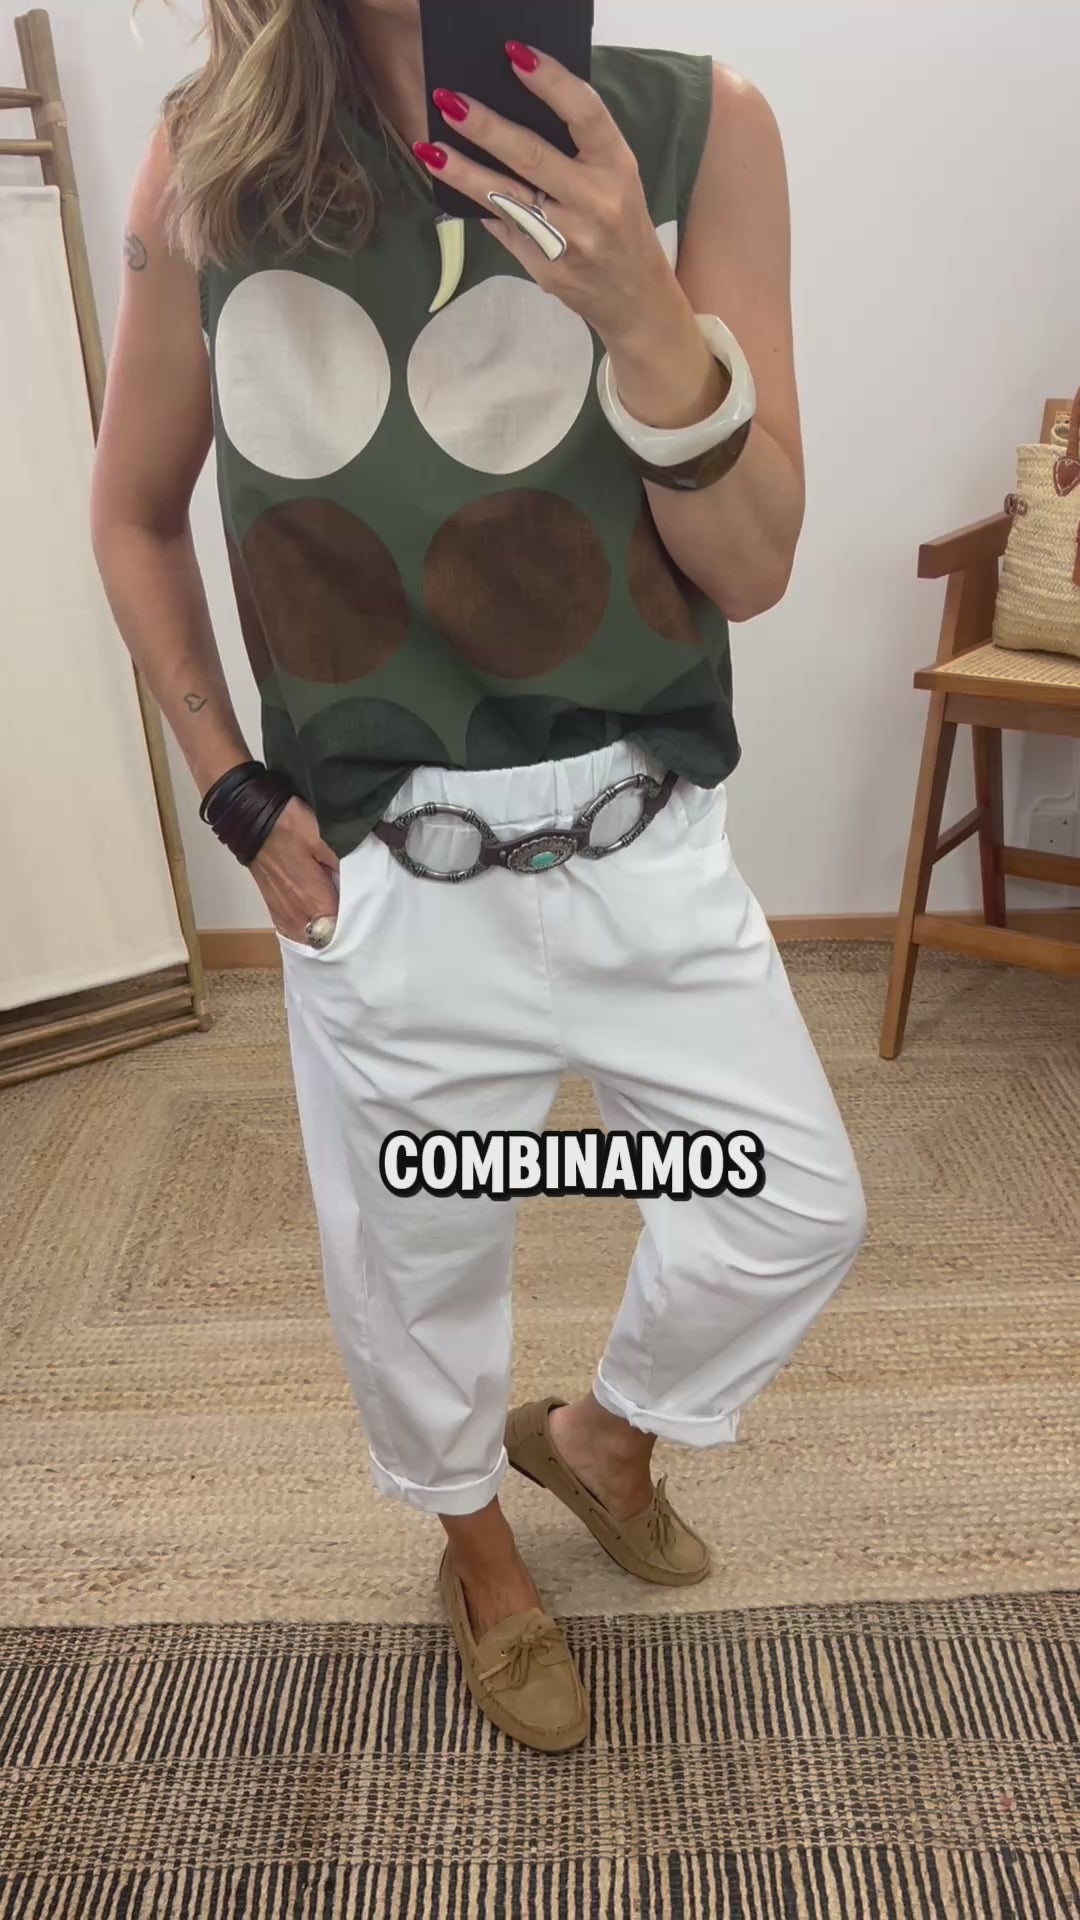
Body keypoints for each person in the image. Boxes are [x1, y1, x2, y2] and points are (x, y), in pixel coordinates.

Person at [92, 0, 867, 1754]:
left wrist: (646, 316)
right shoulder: (211, 165)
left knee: (787, 1208)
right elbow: (132, 512)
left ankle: (599, 1435)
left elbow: (752, 569)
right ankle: (479, 1555)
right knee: (421, 1256)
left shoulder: (704, 131)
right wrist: (227, 784)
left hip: (642, 840)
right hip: (385, 864)